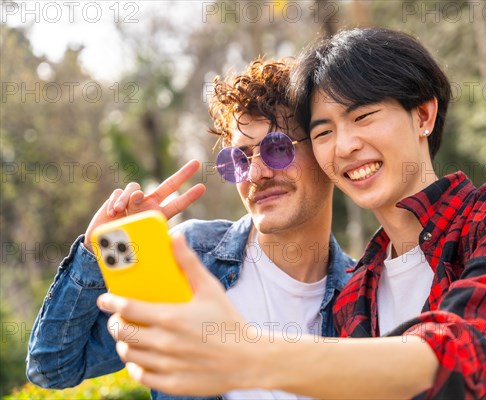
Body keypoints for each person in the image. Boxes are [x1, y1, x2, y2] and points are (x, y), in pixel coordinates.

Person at [98, 27, 486, 399]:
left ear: (423, 114)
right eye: (322, 132)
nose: (346, 146)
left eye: (362, 116)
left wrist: (244, 354)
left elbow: (465, 354)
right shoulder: (350, 298)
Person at [26, 58, 353, 400]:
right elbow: (53, 367)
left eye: (278, 148)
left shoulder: (365, 293)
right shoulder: (189, 257)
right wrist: (99, 251)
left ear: (322, 148)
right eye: (239, 160)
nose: (256, 175)